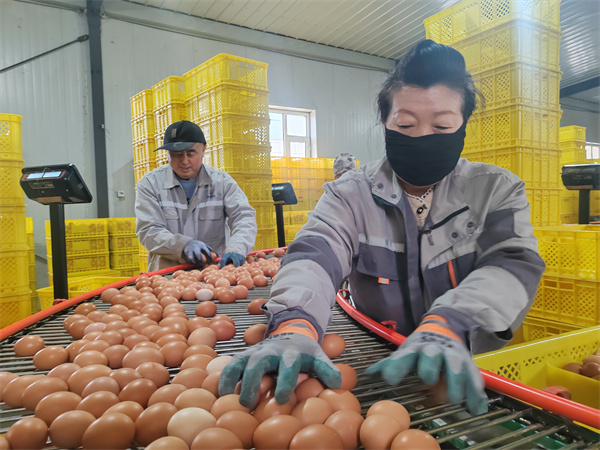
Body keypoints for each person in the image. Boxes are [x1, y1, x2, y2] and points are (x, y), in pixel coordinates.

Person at [219, 40, 545, 416]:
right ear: (385, 123)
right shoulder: (349, 195)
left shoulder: (496, 190)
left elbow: (511, 264)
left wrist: (451, 322)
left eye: (441, 125)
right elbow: (315, 254)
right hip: (379, 366)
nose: (422, 138)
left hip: (467, 367)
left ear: (464, 125)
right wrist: (294, 323)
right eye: (406, 125)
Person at [135, 120, 257, 272]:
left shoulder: (222, 182)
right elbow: (148, 230)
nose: (184, 161)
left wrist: (236, 248)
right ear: (167, 153)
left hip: (215, 273)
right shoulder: (150, 184)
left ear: (203, 149)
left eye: (191, 153)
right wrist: (182, 245)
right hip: (169, 275)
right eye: (176, 154)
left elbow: (243, 218)